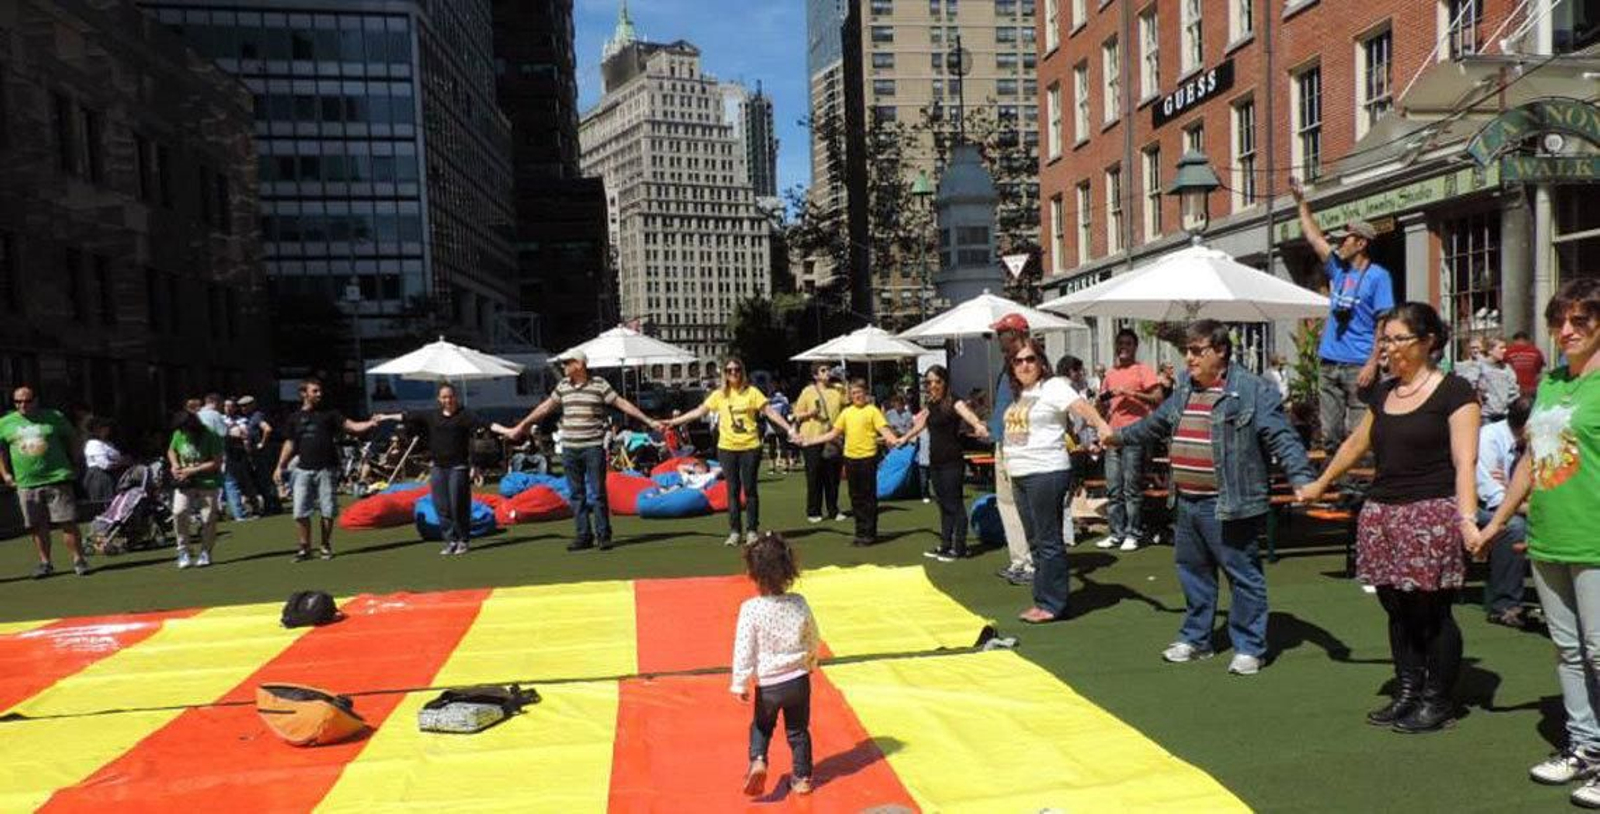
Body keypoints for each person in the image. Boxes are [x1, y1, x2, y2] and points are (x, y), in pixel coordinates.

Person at [1303, 302, 1480, 730]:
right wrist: (1320, 483)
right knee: (1396, 607)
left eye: (1400, 339)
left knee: (1430, 610)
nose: (1390, 348)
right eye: (1385, 340)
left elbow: (1465, 461)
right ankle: (1408, 690)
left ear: (1428, 341)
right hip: (1382, 512)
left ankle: (1437, 700)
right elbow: (1354, 445)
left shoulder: (1455, 392)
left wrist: (1468, 519)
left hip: (1430, 513)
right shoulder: (1384, 393)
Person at [1107, 322, 1316, 673]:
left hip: (1228, 502)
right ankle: (1196, 639)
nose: (1188, 358)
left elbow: (1283, 438)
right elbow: (1156, 424)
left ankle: (1249, 647)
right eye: (1186, 351)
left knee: (1242, 574)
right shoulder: (1185, 388)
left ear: (1220, 351)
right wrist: (1118, 437)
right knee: (1193, 572)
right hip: (1186, 500)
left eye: (1196, 351)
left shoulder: (1252, 390)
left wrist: (1301, 478)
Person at [1478, 278, 1600, 804]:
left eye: (1580, 320)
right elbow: (1531, 459)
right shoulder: (1550, 382)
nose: (1566, 330)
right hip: (1549, 534)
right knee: (1568, 651)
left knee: (1599, 651)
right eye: (1558, 321)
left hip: (1595, 537)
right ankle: (1585, 747)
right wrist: (1497, 522)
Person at [1000, 338, 1114, 623]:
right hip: (1021, 473)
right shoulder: (1020, 393)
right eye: (1018, 360)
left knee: (1048, 539)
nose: (1025, 365)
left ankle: (1053, 604)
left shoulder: (1053, 386)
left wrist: (1101, 425)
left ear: (1041, 362)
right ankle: (1043, 599)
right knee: (1035, 540)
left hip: (1046, 472)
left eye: (1031, 359)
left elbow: (1080, 406)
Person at [501, 350, 659, 552]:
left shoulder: (599, 384)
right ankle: (583, 535)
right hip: (570, 448)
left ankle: (603, 535)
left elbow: (621, 403)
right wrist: (522, 425)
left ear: (580, 364)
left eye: (567, 363)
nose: (564, 367)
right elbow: (544, 408)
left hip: (592, 446)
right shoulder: (563, 386)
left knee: (598, 492)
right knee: (576, 494)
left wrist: (648, 420)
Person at [1291, 178, 1395, 459]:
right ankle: (1336, 480)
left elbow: (1383, 324)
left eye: (1344, 240)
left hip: (1358, 364)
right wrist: (1301, 202)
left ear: (1361, 243)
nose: (1339, 244)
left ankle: (1359, 483)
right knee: (1330, 434)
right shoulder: (1338, 269)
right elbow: (1315, 238)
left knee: (1359, 434)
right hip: (1329, 362)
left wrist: (1372, 363)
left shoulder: (1378, 277)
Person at [664, 359, 799, 546]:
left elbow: (770, 412)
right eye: (729, 370)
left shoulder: (752, 392)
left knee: (750, 489)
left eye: (736, 370)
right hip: (727, 448)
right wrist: (674, 422)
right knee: (732, 490)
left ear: (742, 372)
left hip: (750, 446)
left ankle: (752, 530)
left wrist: (789, 428)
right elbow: (699, 411)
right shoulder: (719, 395)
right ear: (725, 374)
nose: (733, 373)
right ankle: (735, 531)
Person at [730, 531, 819, 797]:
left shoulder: (751, 609)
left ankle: (758, 760)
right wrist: (810, 661)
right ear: (789, 570)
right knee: (798, 731)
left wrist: (740, 683)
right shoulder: (798, 603)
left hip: (769, 684)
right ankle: (802, 778)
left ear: (752, 573)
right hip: (798, 681)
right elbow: (812, 636)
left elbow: (744, 648)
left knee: (762, 726)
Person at [273, 378, 393, 562]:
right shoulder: (294, 418)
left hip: (327, 469)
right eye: (315, 391)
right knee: (300, 511)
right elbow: (289, 443)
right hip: (303, 470)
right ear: (304, 394)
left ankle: (325, 545)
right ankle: (304, 548)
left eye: (320, 391)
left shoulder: (330, 414)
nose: (319, 394)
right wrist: (280, 466)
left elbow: (352, 426)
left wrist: (370, 423)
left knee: (327, 510)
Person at [403, 384, 512, 556]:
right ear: (439, 399)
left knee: (458, 504)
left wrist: (508, 431)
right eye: (444, 397)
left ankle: (463, 540)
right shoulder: (432, 416)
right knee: (442, 506)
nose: (448, 400)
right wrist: (385, 417)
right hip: (438, 467)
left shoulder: (465, 415)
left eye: (450, 396)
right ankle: (450, 541)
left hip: (458, 467)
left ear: (455, 397)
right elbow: (407, 416)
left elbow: (487, 424)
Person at [900, 366, 991, 562]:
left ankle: (960, 548)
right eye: (929, 382)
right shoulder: (932, 403)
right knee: (942, 504)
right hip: (935, 461)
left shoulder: (955, 401)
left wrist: (978, 425)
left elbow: (968, 415)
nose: (933, 386)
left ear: (945, 382)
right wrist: (904, 438)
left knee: (954, 504)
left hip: (952, 461)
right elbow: (921, 424)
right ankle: (945, 545)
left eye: (937, 382)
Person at [0, 386, 90, 577]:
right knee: (36, 526)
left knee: (67, 521)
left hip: (57, 477)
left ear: (36, 400)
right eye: (18, 402)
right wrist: (5, 473)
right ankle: (45, 563)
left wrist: (76, 462)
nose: (22, 405)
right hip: (26, 482)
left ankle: (79, 560)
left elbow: (72, 439)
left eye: (27, 401)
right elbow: (1, 450)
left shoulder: (53, 417)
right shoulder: (5, 423)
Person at [801, 378, 903, 546]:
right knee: (855, 497)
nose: (857, 396)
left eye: (859, 392)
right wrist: (810, 441)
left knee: (867, 497)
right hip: (850, 459)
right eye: (853, 393)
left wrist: (894, 440)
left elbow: (884, 430)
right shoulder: (847, 413)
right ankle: (860, 532)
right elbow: (833, 433)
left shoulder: (872, 411)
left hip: (867, 458)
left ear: (866, 393)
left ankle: (869, 534)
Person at [1099, 329, 1162, 553]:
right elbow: (1103, 404)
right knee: (1113, 487)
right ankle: (1116, 533)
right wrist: (1100, 404)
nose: (1123, 347)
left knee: (1131, 487)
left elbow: (1158, 398)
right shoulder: (1110, 373)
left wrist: (1133, 394)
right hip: (1113, 434)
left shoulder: (1143, 370)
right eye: (1120, 343)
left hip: (1135, 433)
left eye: (1128, 343)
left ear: (1135, 347)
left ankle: (1133, 533)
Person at [1475, 395, 1534, 629]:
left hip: (1517, 504)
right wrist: (1535, 506)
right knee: (1513, 527)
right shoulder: (1488, 439)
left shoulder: (1538, 443)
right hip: (1474, 506)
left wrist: (1514, 491)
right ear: (1527, 426)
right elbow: (1494, 498)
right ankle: (1504, 606)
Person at [989, 313, 1038, 586]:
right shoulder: (1008, 364)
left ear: (1016, 334)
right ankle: (1019, 559)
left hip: (1018, 442)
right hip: (1003, 440)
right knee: (1006, 503)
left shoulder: (1027, 363)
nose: (999, 338)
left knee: (1021, 504)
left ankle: (1030, 561)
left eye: (1003, 333)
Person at [167, 409, 224, 569]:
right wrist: (174, 465)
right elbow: (171, 450)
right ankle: (183, 550)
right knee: (179, 512)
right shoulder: (178, 434)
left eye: (185, 428)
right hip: (185, 482)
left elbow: (217, 462)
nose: (183, 432)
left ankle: (206, 552)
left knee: (208, 517)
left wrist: (193, 470)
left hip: (208, 481)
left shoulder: (211, 435)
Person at [792, 364, 846, 524]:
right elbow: (796, 414)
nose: (827, 373)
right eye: (823, 370)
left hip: (831, 438)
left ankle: (833, 509)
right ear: (816, 375)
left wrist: (844, 380)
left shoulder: (837, 390)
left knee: (833, 476)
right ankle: (813, 510)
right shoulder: (808, 391)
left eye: (828, 370)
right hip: (811, 437)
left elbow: (848, 403)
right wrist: (810, 413)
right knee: (814, 476)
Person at [239, 395, 279, 515]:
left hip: (262, 454)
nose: (243, 408)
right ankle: (271, 504)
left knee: (265, 480)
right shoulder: (248, 418)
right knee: (262, 480)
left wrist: (262, 443)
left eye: (245, 406)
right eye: (241, 406)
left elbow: (267, 429)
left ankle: (272, 506)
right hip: (255, 454)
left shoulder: (257, 416)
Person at [219, 398, 257, 522]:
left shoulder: (241, 420)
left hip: (241, 455)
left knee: (246, 483)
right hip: (225, 455)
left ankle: (254, 508)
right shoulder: (220, 419)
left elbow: (245, 434)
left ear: (235, 408)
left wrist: (232, 432)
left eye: (231, 406)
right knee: (229, 484)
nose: (228, 409)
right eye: (226, 406)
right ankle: (237, 513)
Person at [80, 417, 126, 507]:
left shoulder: (108, 443)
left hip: (112, 475)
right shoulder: (93, 444)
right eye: (104, 427)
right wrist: (122, 462)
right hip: (99, 476)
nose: (107, 430)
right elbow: (105, 464)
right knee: (103, 503)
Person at [1503, 329, 1547, 396]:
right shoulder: (1536, 352)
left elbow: (1503, 369)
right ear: (1528, 340)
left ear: (1515, 340)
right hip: (1531, 388)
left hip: (1514, 388)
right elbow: (1539, 369)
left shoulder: (1508, 352)